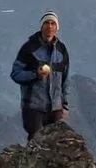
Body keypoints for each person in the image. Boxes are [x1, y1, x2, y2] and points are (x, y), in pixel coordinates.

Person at [9, 10, 70, 139]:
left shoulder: (61, 50)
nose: (50, 26)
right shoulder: (29, 48)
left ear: (57, 28)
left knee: (55, 146)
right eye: (46, 23)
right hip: (33, 107)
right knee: (36, 142)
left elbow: (64, 79)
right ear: (41, 26)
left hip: (55, 108)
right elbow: (16, 74)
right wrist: (35, 74)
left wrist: (64, 104)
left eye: (53, 23)